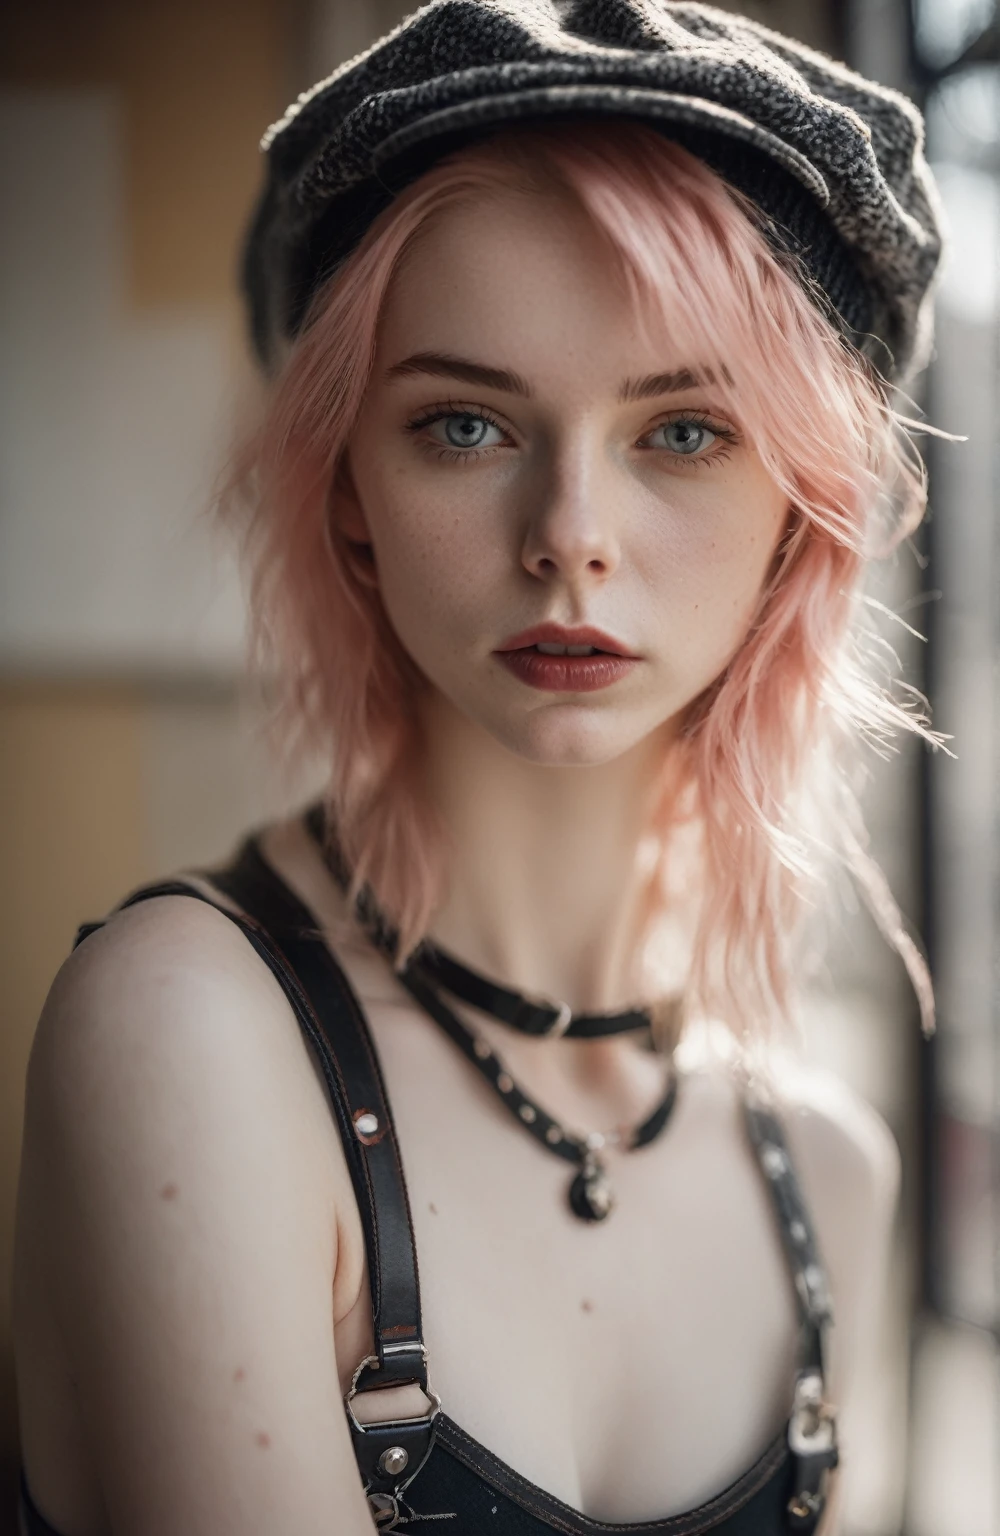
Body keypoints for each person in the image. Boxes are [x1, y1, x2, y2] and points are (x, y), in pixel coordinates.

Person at [13, 4, 945, 1533]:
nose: (570, 530)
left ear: (803, 508)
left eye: (686, 432)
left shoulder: (829, 1171)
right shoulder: (190, 1036)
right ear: (353, 493)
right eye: (464, 422)